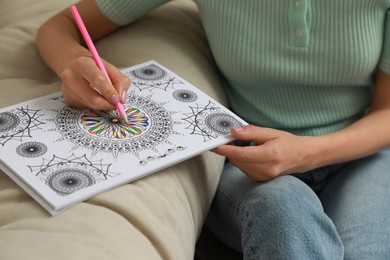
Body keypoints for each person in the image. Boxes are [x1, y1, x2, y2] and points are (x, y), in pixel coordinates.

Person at [37, 0, 390, 259]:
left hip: (358, 154)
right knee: (283, 212)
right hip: (244, 159)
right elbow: (58, 27)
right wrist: (73, 63)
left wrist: (307, 152)